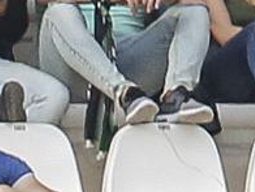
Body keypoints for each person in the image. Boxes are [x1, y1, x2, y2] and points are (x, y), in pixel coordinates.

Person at [37, 0, 216, 125]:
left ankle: (175, 97)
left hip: (128, 55)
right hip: (70, 58)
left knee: (195, 10)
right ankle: (123, 93)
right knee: (59, 11)